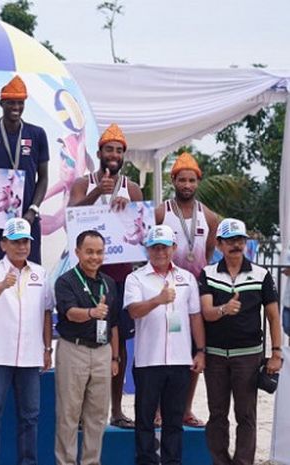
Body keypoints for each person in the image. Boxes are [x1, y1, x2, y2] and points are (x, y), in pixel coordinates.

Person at [68, 122, 144, 429]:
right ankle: (87, 412)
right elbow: (71, 218)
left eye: (119, 150)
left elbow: (141, 229)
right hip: (87, 275)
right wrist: (96, 194)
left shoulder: (134, 188)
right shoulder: (82, 183)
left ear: (124, 155)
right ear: (99, 153)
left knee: (119, 345)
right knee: (88, 341)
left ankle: (116, 410)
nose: (113, 154)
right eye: (109, 149)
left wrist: (126, 208)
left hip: (121, 276)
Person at [199, 218, 282, 465]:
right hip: (215, 355)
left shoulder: (261, 274)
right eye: (231, 241)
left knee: (246, 415)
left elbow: (273, 315)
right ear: (219, 244)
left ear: (245, 242)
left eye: (240, 240)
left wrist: (276, 353)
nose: (236, 245)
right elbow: (206, 312)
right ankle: (220, 461)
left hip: (248, 355)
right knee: (217, 415)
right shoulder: (208, 274)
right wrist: (224, 308)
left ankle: (244, 462)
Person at [123, 225, 205, 465]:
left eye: (165, 247)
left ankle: (172, 462)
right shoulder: (136, 278)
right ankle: (146, 461)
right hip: (149, 360)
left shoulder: (186, 278)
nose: (160, 252)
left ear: (174, 248)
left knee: (174, 420)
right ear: (148, 250)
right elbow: (134, 311)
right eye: (155, 247)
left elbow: (195, 316)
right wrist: (157, 300)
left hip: (180, 361)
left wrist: (200, 351)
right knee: (145, 419)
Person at [0, 217, 54, 465]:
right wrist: (2, 285)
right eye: (16, 242)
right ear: (3, 244)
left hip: (31, 355)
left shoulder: (40, 273)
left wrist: (47, 348)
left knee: (30, 416)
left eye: (25, 242)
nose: (22, 247)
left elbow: (46, 312)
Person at [155, 151, 219, 428]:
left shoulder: (210, 217)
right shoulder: (161, 212)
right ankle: (159, 409)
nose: (187, 185)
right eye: (182, 180)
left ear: (198, 182)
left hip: (194, 290)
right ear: (173, 181)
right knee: (163, 349)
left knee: (194, 349)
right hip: (166, 287)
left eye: (192, 180)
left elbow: (207, 252)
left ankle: (186, 408)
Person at [54, 229, 120, 465]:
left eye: (99, 252)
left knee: (98, 415)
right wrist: (92, 312)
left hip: (102, 353)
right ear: (78, 252)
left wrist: (115, 357)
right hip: (74, 350)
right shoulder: (65, 281)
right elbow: (70, 313)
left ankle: (92, 462)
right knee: (69, 414)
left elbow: (113, 324)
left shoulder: (109, 283)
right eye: (89, 252)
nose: (95, 257)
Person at [0, 76, 49, 267]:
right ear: (2, 103)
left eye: (20, 103)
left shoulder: (37, 134)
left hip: (27, 216)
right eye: (11, 103)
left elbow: (44, 176)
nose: (16, 107)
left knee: (28, 268)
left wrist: (33, 209)